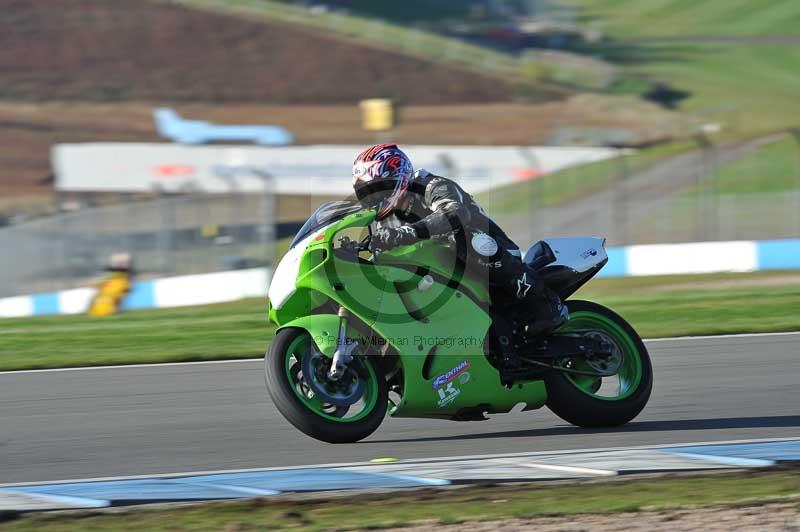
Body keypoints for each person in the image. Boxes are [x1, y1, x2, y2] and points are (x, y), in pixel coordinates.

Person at [351, 143, 568, 355]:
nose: (373, 198)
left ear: (399, 177)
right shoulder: (381, 219)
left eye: (377, 189)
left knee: (464, 239)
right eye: (366, 192)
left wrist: (406, 233)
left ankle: (546, 302)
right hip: (441, 272)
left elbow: (455, 213)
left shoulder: (432, 185)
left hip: (488, 254)